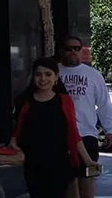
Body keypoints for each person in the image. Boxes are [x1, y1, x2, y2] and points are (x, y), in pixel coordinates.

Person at [10, 57, 98, 198]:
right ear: (33, 77)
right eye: (38, 74)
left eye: (48, 74)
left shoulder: (64, 100)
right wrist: (14, 146)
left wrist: (87, 160)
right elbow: (17, 130)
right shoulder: (24, 101)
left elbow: (74, 133)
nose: (43, 78)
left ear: (56, 77)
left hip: (59, 163)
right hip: (33, 164)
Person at [58, 35, 112, 198]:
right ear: (61, 51)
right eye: (68, 48)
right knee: (68, 179)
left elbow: (104, 104)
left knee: (88, 176)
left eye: (76, 48)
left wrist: (110, 130)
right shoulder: (52, 72)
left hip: (87, 133)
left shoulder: (93, 75)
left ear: (82, 51)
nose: (72, 52)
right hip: (60, 134)